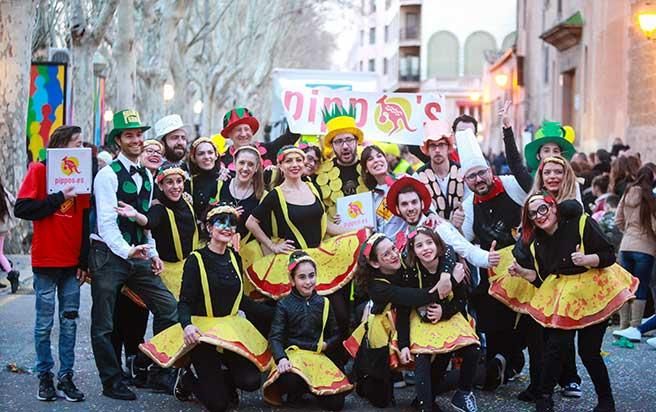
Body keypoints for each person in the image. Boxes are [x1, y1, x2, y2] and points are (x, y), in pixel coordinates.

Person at [503, 194, 637, 412]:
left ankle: (606, 401)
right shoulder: (537, 241)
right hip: (565, 297)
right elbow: (543, 279)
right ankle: (544, 400)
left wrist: (587, 259)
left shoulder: (581, 222)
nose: (539, 216)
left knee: (589, 351)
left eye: (543, 209)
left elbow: (608, 255)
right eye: (533, 213)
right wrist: (522, 272)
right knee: (556, 346)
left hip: (594, 291)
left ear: (554, 207)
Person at [144, 203, 272, 411]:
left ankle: (221, 380)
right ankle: (187, 380)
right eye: (221, 222)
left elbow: (240, 299)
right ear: (209, 227)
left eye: (231, 223)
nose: (227, 227)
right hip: (203, 334)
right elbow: (185, 301)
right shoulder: (196, 259)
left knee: (251, 381)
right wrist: (186, 325)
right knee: (219, 405)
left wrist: (277, 313)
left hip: (230, 330)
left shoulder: (234, 257)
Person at [89, 109, 178, 401]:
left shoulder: (147, 176)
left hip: (137, 253)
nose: (137, 139)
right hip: (109, 254)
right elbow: (106, 222)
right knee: (104, 322)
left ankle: (148, 365)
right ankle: (111, 381)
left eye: (140, 134)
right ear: (119, 140)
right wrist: (128, 250)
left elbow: (144, 224)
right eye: (130, 135)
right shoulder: (106, 175)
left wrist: (150, 253)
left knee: (170, 309)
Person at [456, 128, 537, 395]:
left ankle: (506, 359)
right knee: (491, 320)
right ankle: (502, 361)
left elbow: (536, 204)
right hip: (495, 275)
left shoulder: (513, 185)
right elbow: (465, 243)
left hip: (528, 268)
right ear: (465, 180)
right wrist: (455, 231)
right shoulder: (469, 206)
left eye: (481, 173)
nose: (478, 179)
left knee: (531, 320)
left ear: (490, 170)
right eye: (471, 176)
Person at [14, 125, 90, 402]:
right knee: (44, 323)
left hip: (71, 263)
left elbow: (84, 220)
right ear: (62, 145)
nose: (82, 149)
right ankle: (44, 374)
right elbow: (21, 208)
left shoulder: (82, 175)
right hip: (46, 260)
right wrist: (58, 198)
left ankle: (66, 376)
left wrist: (85, 259)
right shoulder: (39, 170)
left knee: (69, 322)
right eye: (77, 143)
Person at [346, 232, 445, 408]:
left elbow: (445, 249)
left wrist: (447, 274)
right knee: (380, 399)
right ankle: (364, 377)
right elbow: (409, 296)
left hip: (407, 318)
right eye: (386, 254)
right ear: (375, 263)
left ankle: (431, 394)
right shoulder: (375, 285)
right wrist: (443, 288)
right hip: (383, 328)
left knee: (435, 353)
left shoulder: (405, 260)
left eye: (393, 248)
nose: (394, 254)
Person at [397, 227, 480, 412]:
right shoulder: (410, 271)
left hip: (448, 313)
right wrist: (403, 344)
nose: (425, 248)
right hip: (420, 317)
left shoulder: (449, 265)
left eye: (429, 242)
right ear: (413, 250)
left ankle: (464, 393)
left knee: (473, 349)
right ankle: (425, 405)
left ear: (437, 245)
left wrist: (444, 310)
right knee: (422, 356)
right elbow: (403, 309)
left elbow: (461, 300)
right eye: (419, 245)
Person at [263, 251, 352, 410]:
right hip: (294, 357)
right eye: (302, 277)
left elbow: (336, 334)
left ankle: (312, 390)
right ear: (292, 280)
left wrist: (326, 345)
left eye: (311, 276)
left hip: (317, 357)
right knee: (290, 381)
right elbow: (275, 337)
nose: (308, 281)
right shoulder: (284, 305)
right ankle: (299, 390)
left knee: (336, 404)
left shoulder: (324, 302)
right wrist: (281, 358)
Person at [385, 176, 495, 269]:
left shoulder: (437, 226)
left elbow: (465, 248)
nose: (410, 208)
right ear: (398, 209)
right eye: (404, 204)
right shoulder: (404, 235)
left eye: (414, 202)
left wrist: (487, 258)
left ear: (422, 204)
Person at [613, 166, 656, 339]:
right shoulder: (650, 197)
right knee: (641, 287)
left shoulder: (627, 192)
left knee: (626, 287)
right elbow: (654, 225)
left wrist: (629, 232)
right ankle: (635, 326)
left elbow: (618, 219)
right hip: (645, 248)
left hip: (626, 246)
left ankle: (623, 325)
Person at [315, 104, 368, 217]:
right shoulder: (321, 174)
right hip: (338, 233)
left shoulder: (369, 167)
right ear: (332, 146)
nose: (344, 146)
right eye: (338, 141)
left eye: (349, 140)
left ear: (356, 141)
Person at [413, 120, 466, 226]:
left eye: (441, 144)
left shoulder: (464, 173)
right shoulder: (418, 177)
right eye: (432, 145)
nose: (437, 150)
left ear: (448, 147)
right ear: (427, 149)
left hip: (465, 233)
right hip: (433, 236)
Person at [219, 107, 300, 171]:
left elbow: (291, 136)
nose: (243, 134)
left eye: (246, 129)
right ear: (229, 134)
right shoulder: (221, 161)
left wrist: (297, 111)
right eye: (238, 130)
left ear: (252, 132)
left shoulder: (268, 150)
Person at [361, 145, 405, 239]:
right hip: (388, 250)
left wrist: (431, 215)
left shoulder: (404, 179)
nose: (376, 160)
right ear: (366, 169)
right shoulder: (370, 199)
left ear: (385, 160)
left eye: (379, 156)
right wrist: (344, 219)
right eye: (370, 159)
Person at [188, 137, 229, 236]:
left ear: (216, 155)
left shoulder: (226, 179)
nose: (206, 157)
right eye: (201, 153)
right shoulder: (189, 183)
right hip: (196, 238)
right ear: (194, 158)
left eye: (210, 152)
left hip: (221, 237)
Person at [0, 178, 18, 291]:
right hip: (3, 228)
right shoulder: (4, 191)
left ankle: (11, 273)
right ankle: (11, 273)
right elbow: (15, 202)